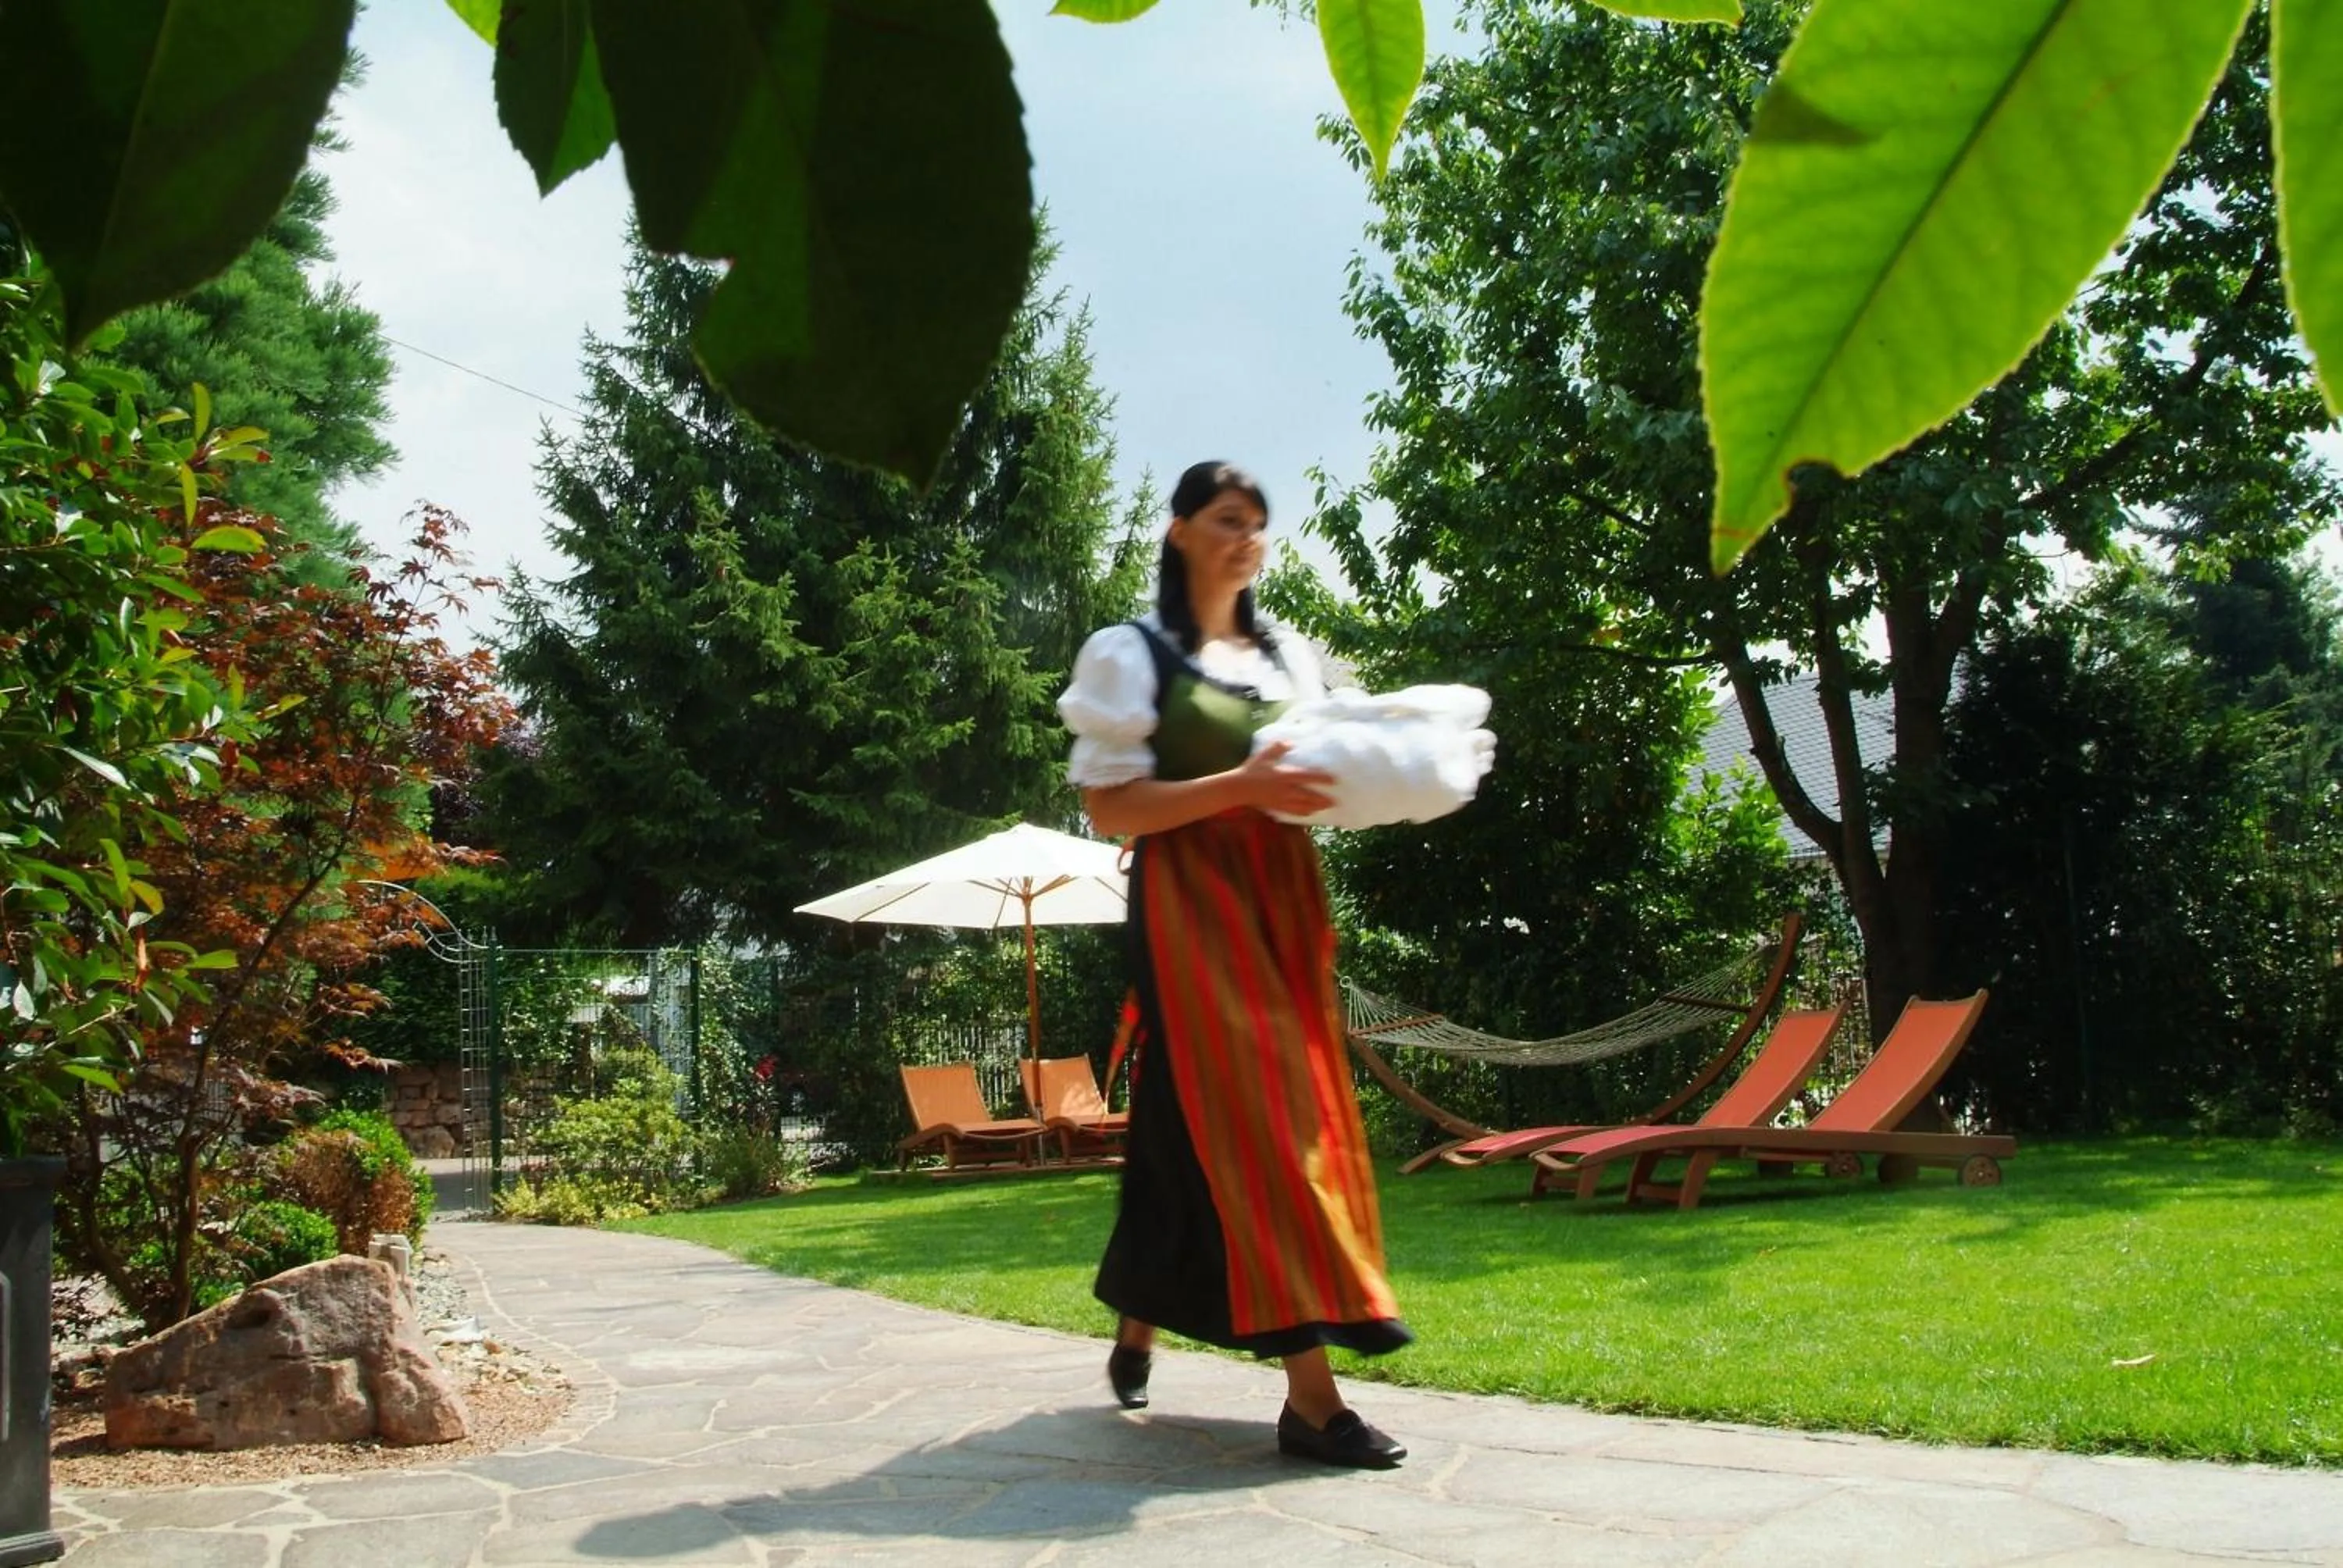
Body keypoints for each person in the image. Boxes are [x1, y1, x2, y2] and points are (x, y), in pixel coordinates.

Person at [1057, 460, 1410, 1470]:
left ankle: (1138, 1316)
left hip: (1284, 901)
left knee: (1187, 1122)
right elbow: (1111, 810)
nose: (1246, 538)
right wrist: (1240, 785)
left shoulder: (1287, 655)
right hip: (1189, 904)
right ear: (1179, 531)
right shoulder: (1132, 652)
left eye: (1257, 523)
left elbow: (1309, 779)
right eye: (1225, 519)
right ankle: (1313, 1402)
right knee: (1268, 1123)